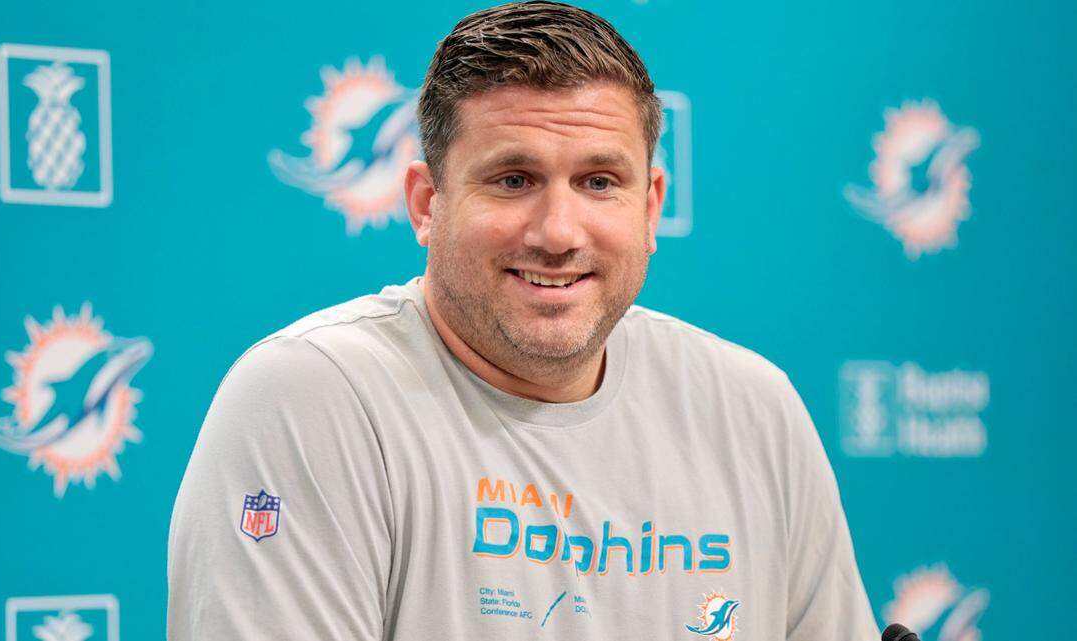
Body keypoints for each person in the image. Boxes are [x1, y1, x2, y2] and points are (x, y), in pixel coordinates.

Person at [167, 2, 879, 639]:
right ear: (425, 202)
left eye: (599, 182)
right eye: (514, 179)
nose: (559, 231)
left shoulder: (755, 409)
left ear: (651, 206)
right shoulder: (312, 398)